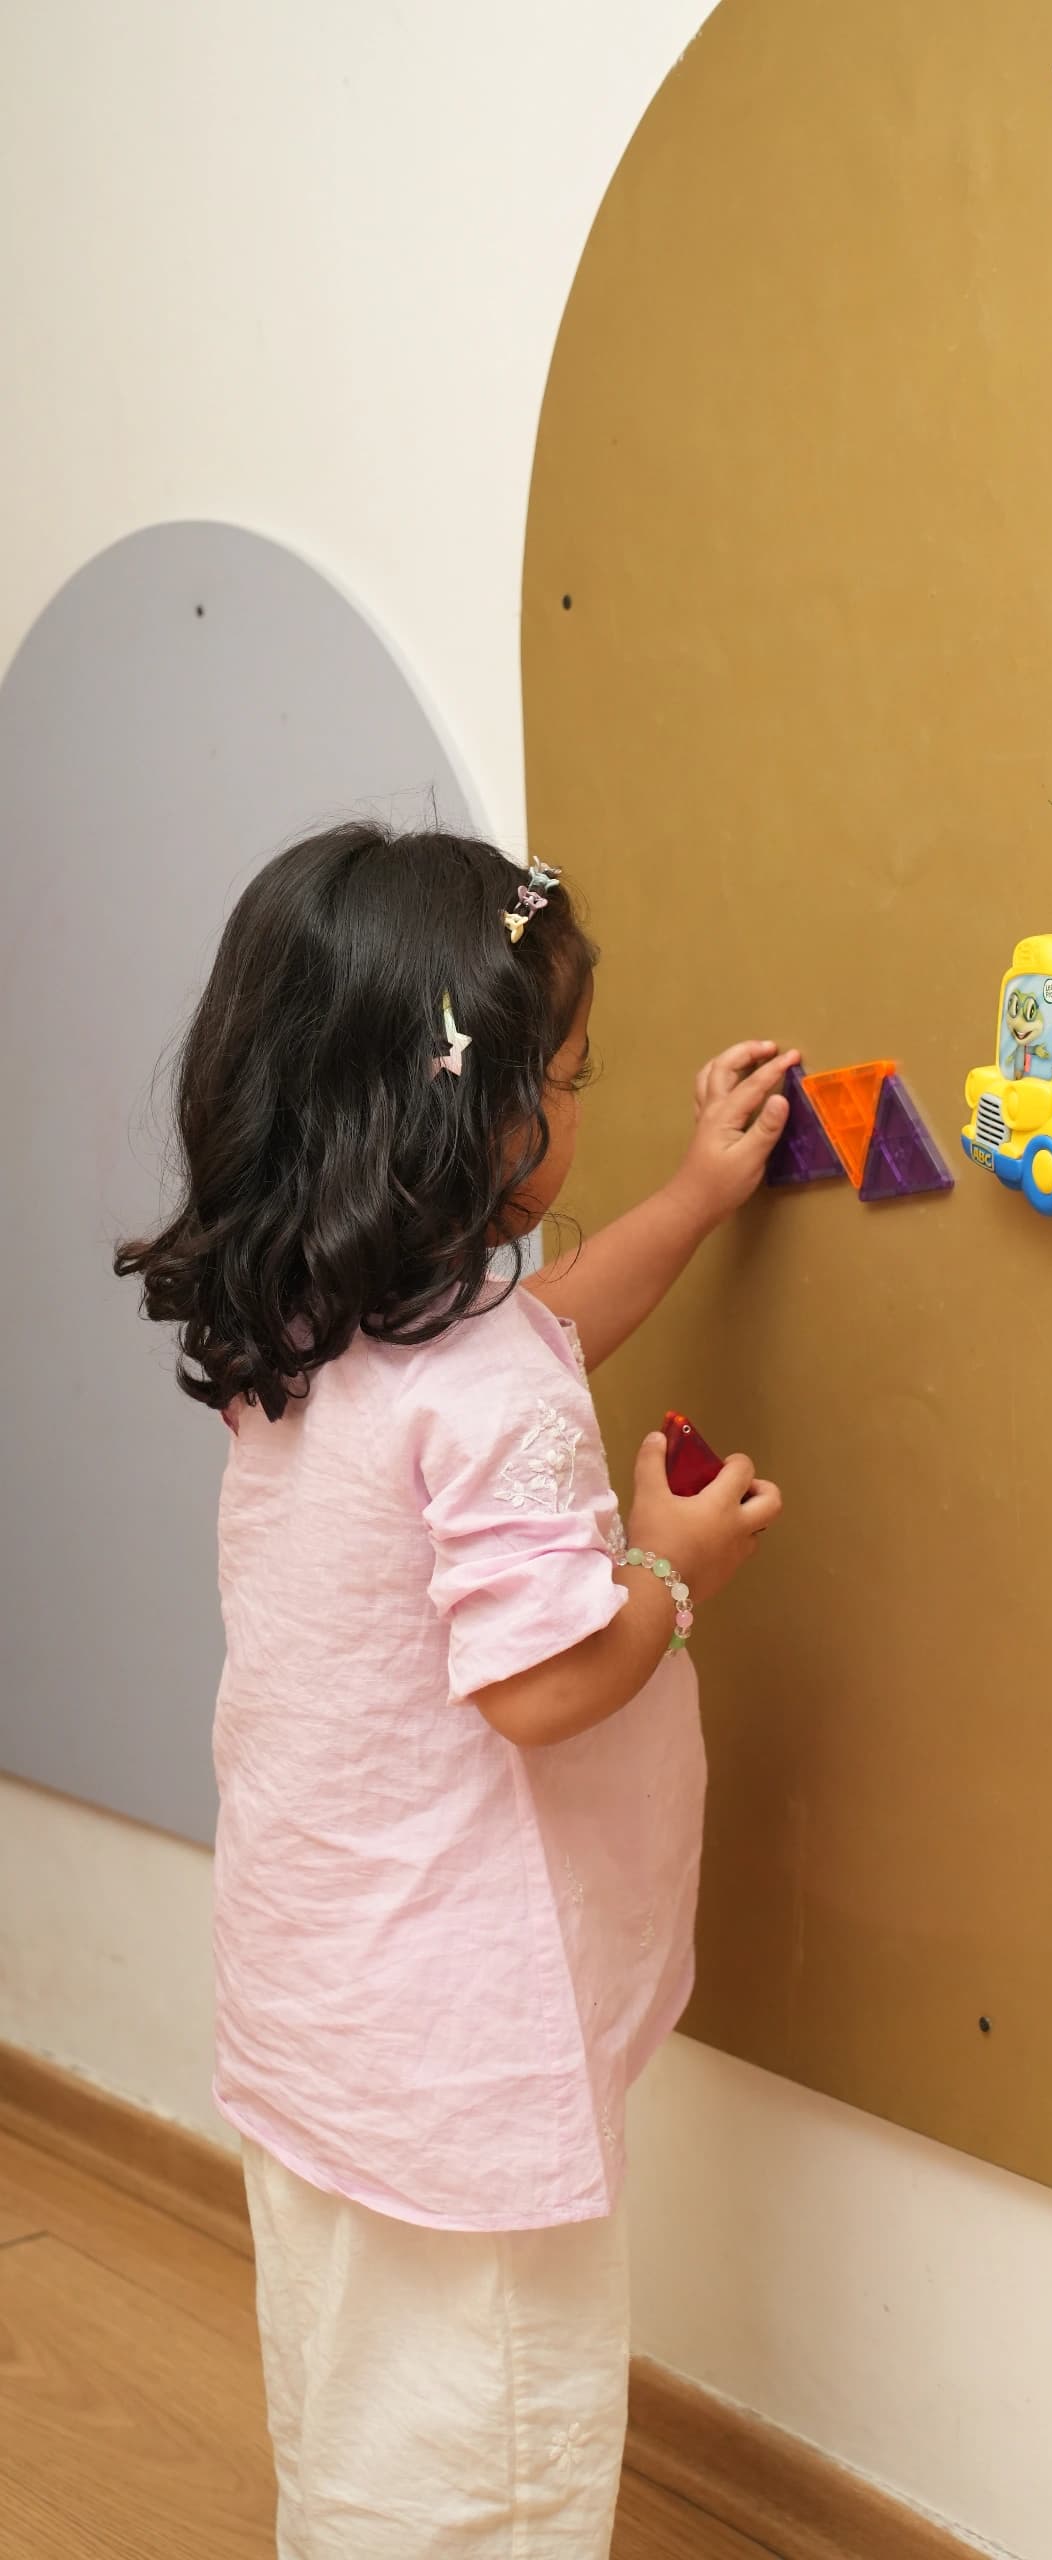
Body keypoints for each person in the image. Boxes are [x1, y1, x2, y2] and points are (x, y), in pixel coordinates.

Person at [116, 821, 793, 2558]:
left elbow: (546, 1323)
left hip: (329, 2016)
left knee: (363, 2416)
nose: (578, 1100)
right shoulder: (478, 1388)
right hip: (463, 2062)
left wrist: (694, 1199)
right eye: (566, 1075)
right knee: (488, 2469)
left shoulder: (311, 1322)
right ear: (470, 1114)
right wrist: (670, 1566)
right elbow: (551, 1684)